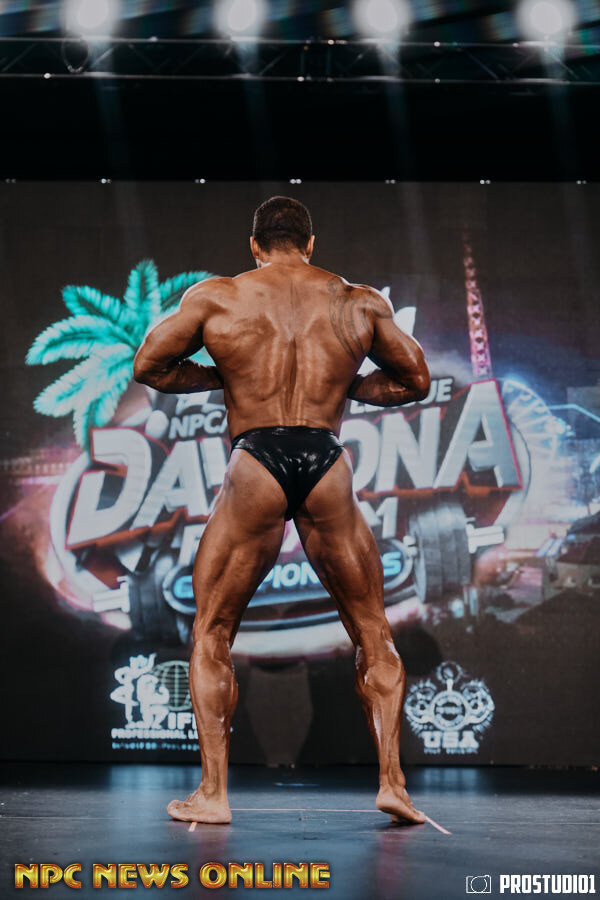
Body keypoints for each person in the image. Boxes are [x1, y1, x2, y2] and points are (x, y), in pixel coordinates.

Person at [133, 196, 431, 826]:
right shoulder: (357, 302)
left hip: (256, 461)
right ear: (311, 243)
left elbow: (149, 365)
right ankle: (393, 784)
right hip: (326, 458)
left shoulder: (218, 297)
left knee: (213, 631)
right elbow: (415, 380)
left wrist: (222, 377)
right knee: (372, 630)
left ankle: (213, 795)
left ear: (254, 245)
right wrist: (348, 387)